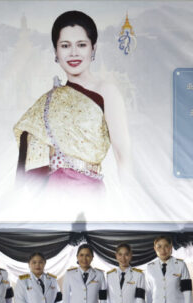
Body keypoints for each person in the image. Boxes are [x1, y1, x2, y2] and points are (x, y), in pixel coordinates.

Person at [14, 10, 130, 190]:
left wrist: (130, 201)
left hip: (88, 192)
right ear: (56, 51)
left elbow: (124, 158)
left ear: (93, 48)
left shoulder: (107, 92)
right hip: (50, 195)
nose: (74, 53)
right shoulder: (48, 101)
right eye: (65, 45)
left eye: (81, 45)